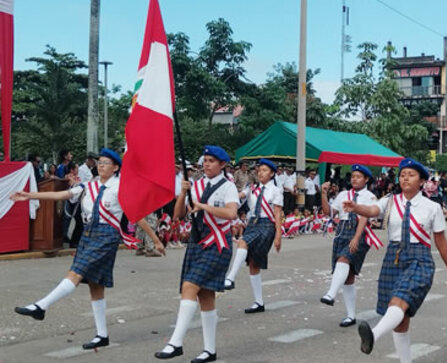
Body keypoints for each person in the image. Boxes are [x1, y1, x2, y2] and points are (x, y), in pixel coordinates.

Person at [11, 148, 164, 350]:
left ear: (116, 167)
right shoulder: (88, 186)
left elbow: (136, 216)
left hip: (106, 236)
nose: (101, 166)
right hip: (88, 234)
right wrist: (29, 195)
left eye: (106, 163)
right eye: (99, 162)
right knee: (95, 285)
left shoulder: (120, 187)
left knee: (76, 272)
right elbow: (62, 194)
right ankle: (102, 335)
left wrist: (155, 239)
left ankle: (41, 306)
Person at [344, 158, 447, 362]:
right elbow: (372, 211)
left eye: (411, 175)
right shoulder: (390, 200)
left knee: (400, 300)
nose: (405, 178)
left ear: (422, 181)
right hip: (393, 258)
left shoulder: (432, 207)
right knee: (400, 320)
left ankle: (374, 334)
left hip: (419, 259)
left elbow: (441, 243)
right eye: (402, 174)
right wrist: (355, 207)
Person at [155, 146, 239, 363]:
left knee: (190, 286)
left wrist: (203, 206)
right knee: (205, 295)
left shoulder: (227, 187)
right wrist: (183, 193)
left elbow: (231, 213)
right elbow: (178, 215)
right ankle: (209, 350)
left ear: (222, 165)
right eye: (205, 160)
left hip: (217, 243)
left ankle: (176, 342)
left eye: (212, 161)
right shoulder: (197, 185)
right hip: (197, 242)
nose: (207, 164)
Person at [319, 164, 379, 328]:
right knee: (348, 277)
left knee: (344, 259)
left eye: (358, 176)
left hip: (360, 231)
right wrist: (323, 194)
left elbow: (365, 217)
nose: (354, 179)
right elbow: (329, 212)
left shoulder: (370, 196)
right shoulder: (344, 194)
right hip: (343, 230)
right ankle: (351, 315)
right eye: (353, 176)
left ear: (366, 179)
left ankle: (331, 294)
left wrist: (356, 237)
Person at [223, 159, 283, 314]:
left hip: (266, 226)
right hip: (252, 224)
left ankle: (230, 278)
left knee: (242, 242)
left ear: (271, 174)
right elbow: (239, 196)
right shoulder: (251, 188)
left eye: (264, 170)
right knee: (254, 265)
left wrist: (278, 235)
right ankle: (259, 302)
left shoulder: (275, 190)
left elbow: (277, 214)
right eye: (259, 170)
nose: (261, 173)